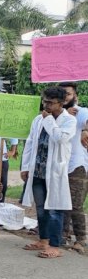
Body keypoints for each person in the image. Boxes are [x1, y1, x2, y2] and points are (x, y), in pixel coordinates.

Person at [21, 86, 76, 259]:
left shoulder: (69, 120)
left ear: (61, 103)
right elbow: (30, 143)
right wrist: (25, 167)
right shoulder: (38, 119)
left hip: (55, 173)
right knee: (41, 209)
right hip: (37, 170)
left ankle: (54, 245)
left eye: (51, 103)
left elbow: (60, 138)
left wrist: (49, 121)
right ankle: (43, 240)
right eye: (45, 101)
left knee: (54, 209)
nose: (46, 105)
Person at [58, 82, 88, 253]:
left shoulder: (81, 111)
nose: (65, 97)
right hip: (60, 165)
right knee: (61, 202)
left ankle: (81, 240)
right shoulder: (58, 114)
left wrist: (85, 129)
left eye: (68, 94)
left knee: (75, 205)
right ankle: (62, 236)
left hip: (77, 165)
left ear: (75, 96)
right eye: (62, 94)